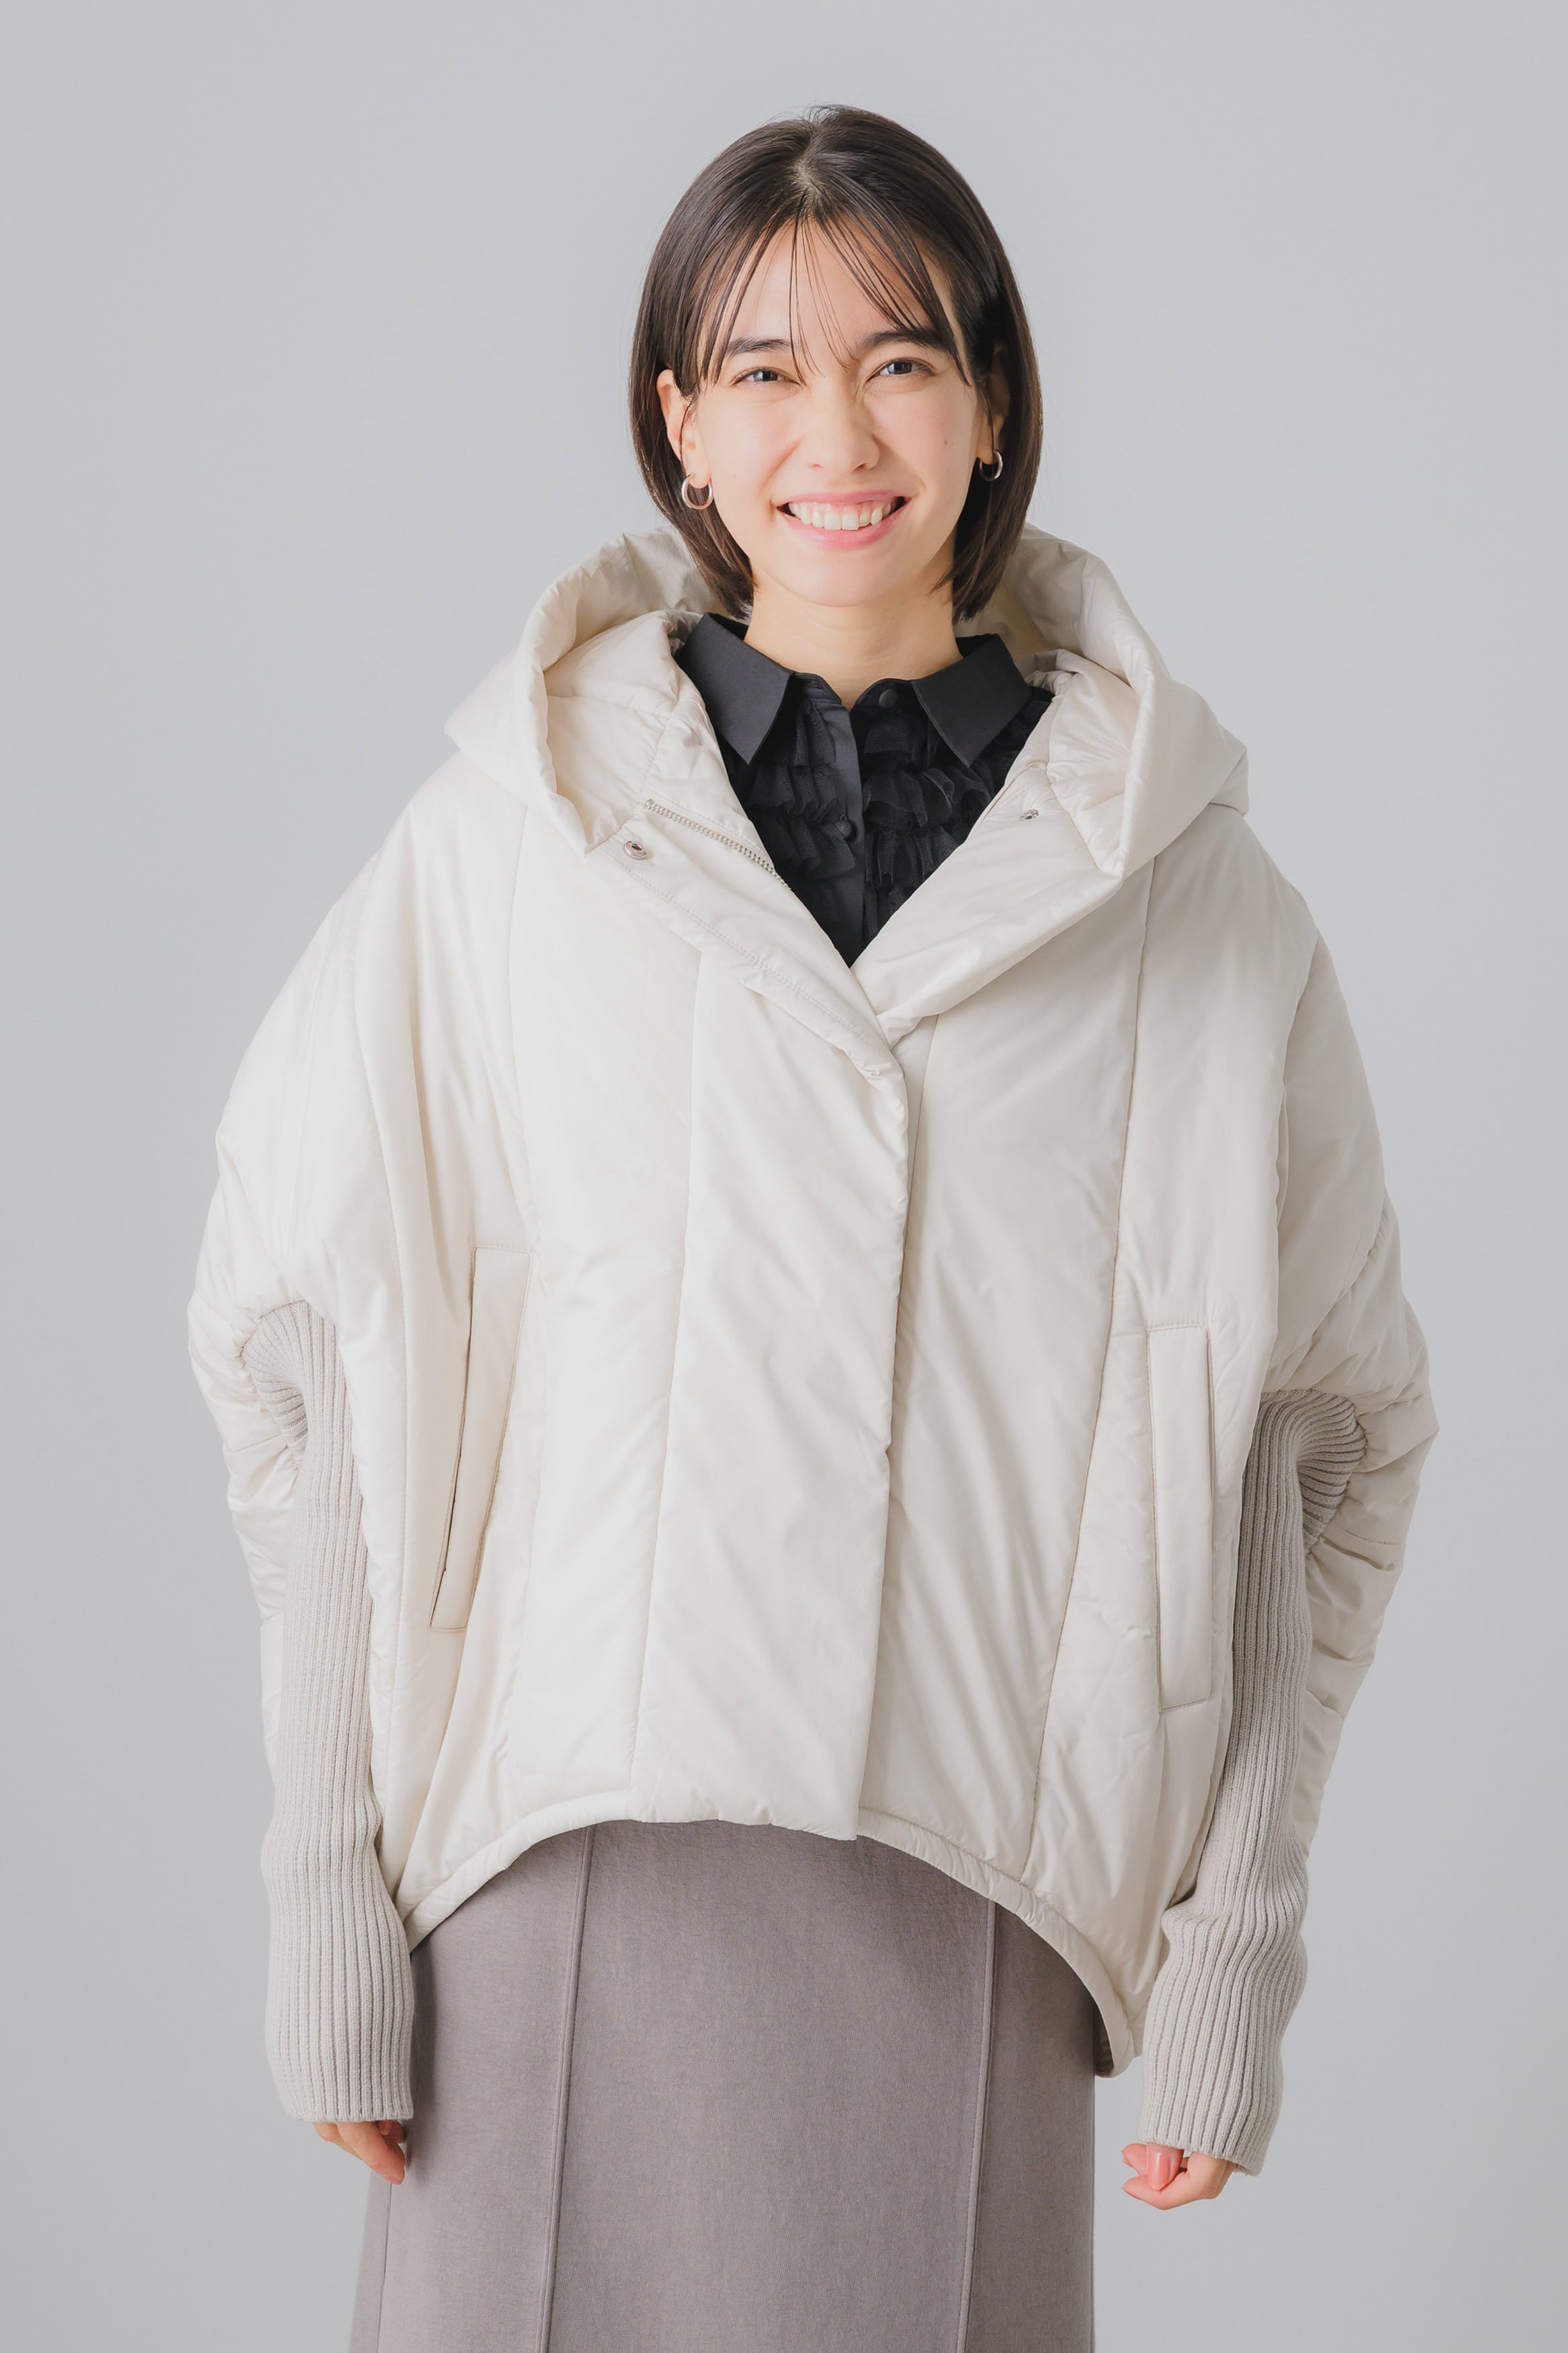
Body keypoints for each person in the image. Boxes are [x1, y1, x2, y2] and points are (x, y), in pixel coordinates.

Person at [190, 105, 1435, 2352]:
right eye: (762, 369)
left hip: (982, 1895)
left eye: (900, 360)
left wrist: (1232, 1947)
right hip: (539, 1876)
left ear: (992, 401)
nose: (834, 434)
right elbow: (312, 1351)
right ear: (678, 421)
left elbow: (1305, 1439)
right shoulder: (505, 852)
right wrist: (327, 1903)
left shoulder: (1197, 911)